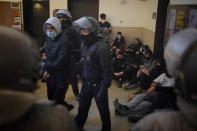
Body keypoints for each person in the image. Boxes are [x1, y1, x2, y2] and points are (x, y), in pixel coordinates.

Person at [0, 26, 77, 131]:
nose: (49, 31)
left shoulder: (63, 42)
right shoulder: (57, 119)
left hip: (59, 74)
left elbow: (59, 60)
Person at [131, 28, 197, 131]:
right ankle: (128, 109)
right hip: (159, 91)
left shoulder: (159, 123)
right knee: (142, 98)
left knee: (149, 100)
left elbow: (169, 89)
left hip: (162, 99)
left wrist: (155, 88)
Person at [74, 16, 112, 131]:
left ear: (93, 31)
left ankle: (106, 128)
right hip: (86, 83)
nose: (82, 33)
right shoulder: (84, 44)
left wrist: (103, 88)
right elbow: (84, 60)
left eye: (84, 31)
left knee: (103, 110)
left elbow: (107, 70)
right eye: (80, 30)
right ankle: (76, 126)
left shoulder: (101, 47)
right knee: (82, 108)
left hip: (99, 84)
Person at [42, 17, 73, 110]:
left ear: (57, 28)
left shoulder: (65, 42)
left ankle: (60, 116)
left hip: (62, 74)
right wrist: (46, 70)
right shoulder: (48, 37)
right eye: (47, 28)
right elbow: (47, 54)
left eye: (51, 28)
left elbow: (59, 63)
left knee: (58, 98)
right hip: (51, 72)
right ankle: (64, 106)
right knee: (51, 97)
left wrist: (44, 65)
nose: (49, 30)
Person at [56, 9, 81, 100]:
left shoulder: (74, 30)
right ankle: (61, 97)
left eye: (63, 18)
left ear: (68, 18)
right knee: (61, 79)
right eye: (59, 17)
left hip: (71, 58)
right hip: (60, 58)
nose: (61, 19)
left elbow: (79, 47)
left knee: (73, 78)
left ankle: (77, 94)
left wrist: (73, 53)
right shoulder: (57, 30)